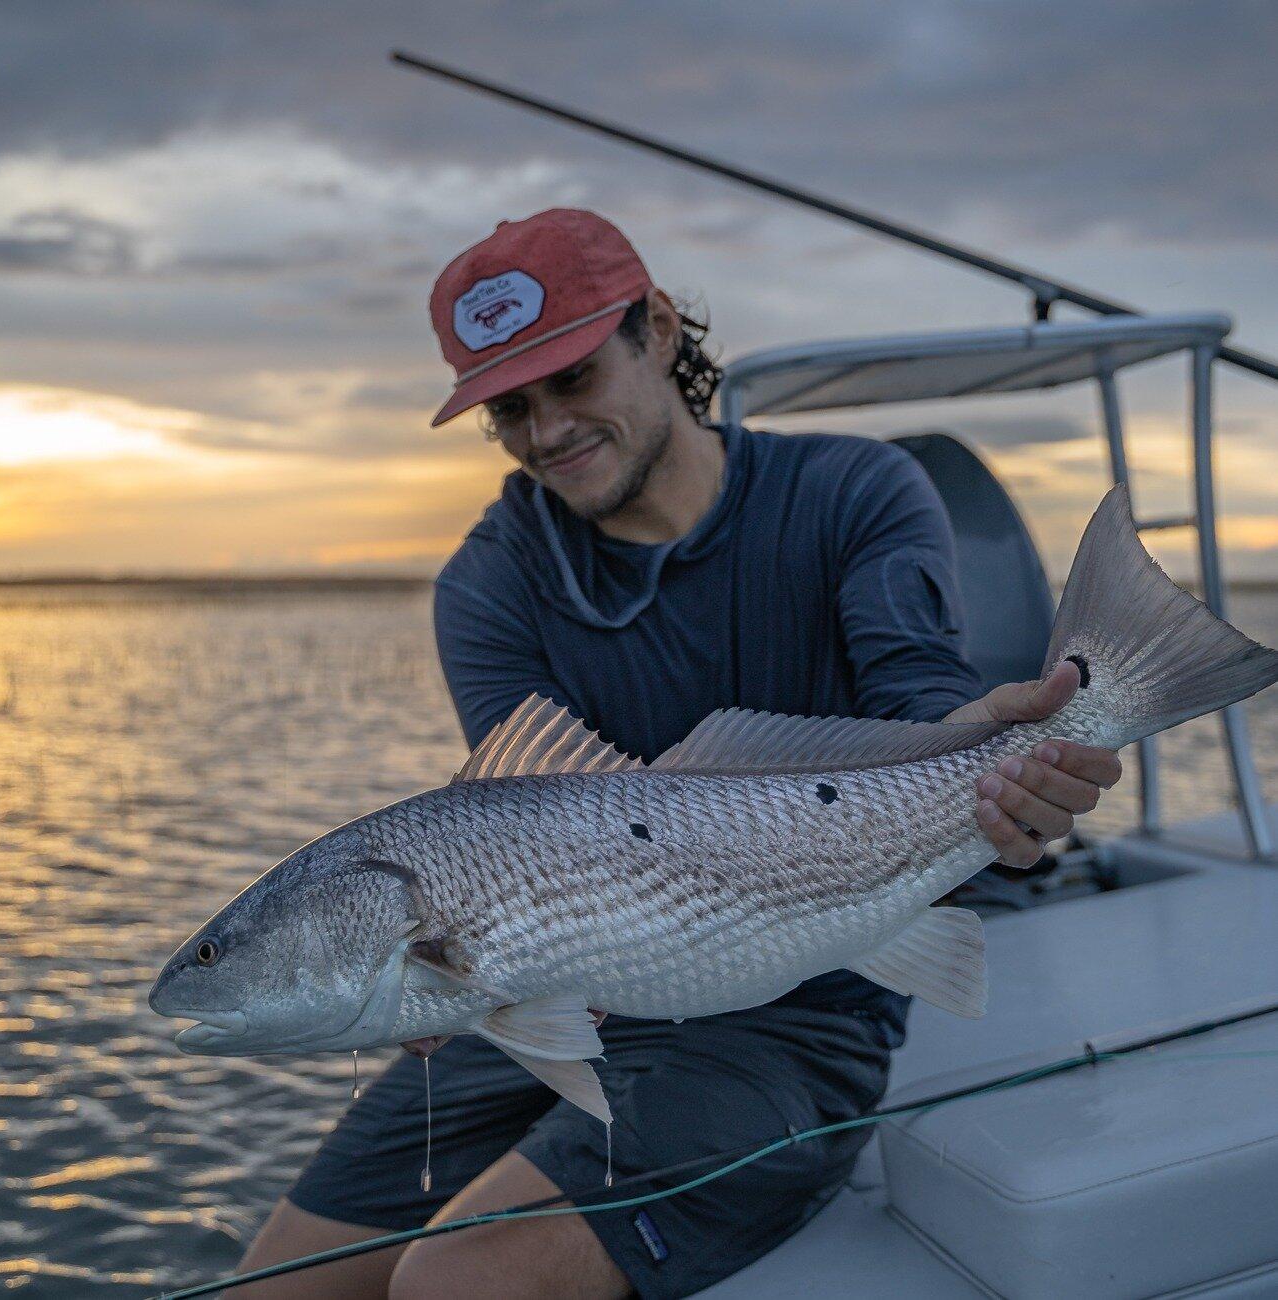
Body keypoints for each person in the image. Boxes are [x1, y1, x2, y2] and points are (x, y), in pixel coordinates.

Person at [237, 208, 1122, 1299]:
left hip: (808, 984)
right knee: (265, 1289)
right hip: (573, 986)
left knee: (452, 1283)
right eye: (507, 408)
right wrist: (433, 981)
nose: (545, 429)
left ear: (656, 329)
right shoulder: (489, 583)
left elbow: (920, 703)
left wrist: (1006, 766)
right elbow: (513, 842)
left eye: (570, 378)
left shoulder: (855, 491)